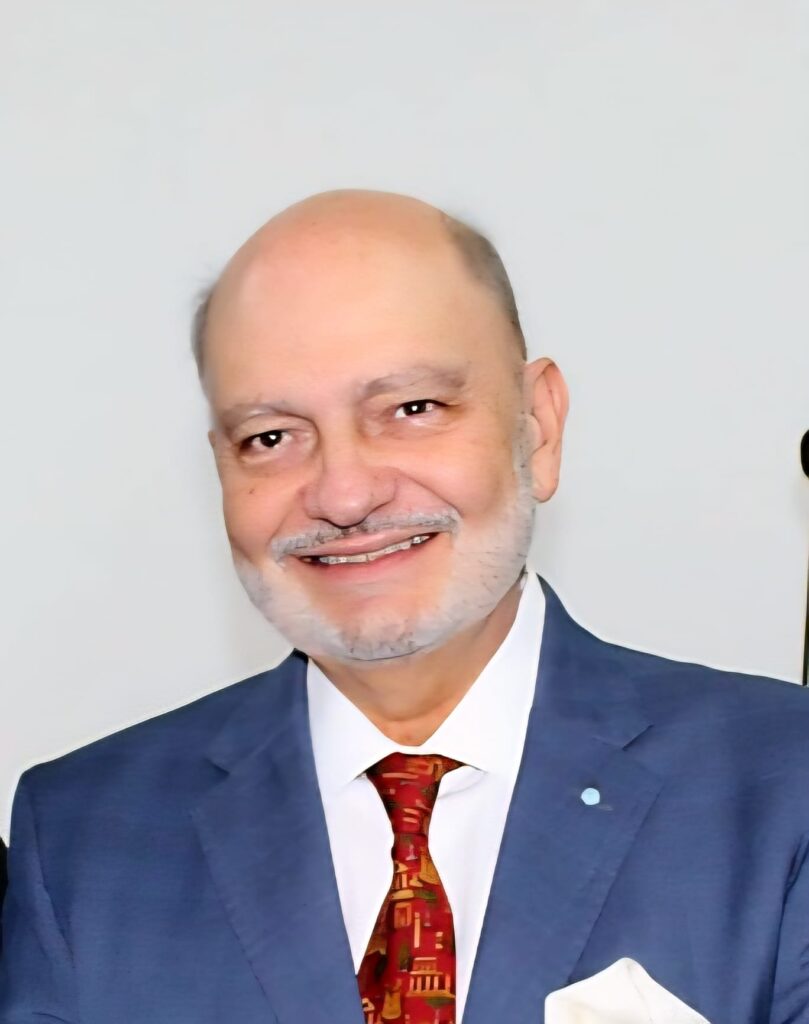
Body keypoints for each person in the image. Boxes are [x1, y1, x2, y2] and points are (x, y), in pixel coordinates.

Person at [1, 190, 807, 1024]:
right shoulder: (83, 839)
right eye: (271, 437)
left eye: (411, 409)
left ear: (536, 427)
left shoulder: (782, 787)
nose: (344, 494)